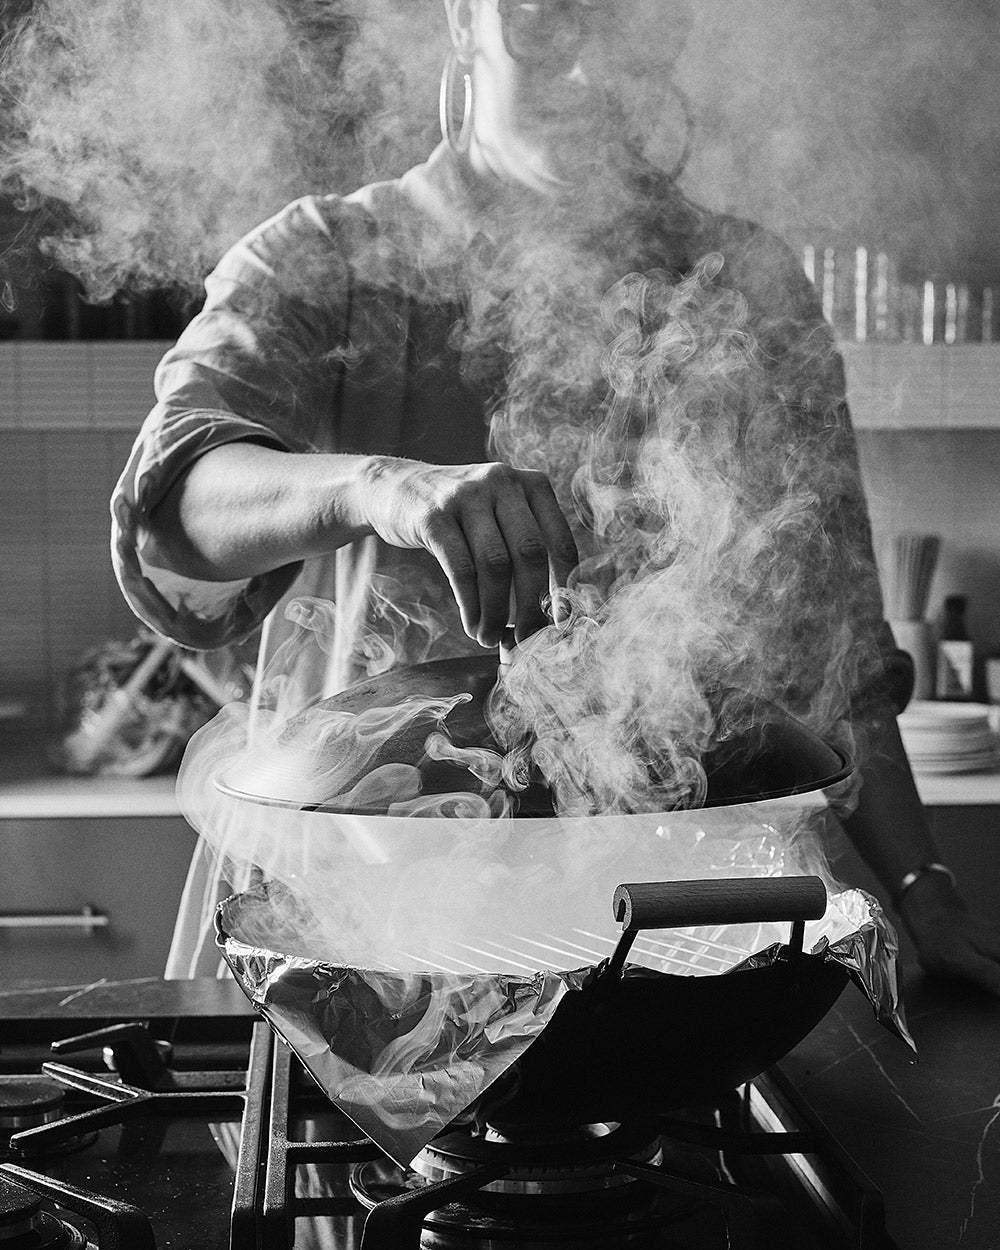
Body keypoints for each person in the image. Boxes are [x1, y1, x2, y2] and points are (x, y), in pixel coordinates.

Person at [113, 0, 1000, 995]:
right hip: (360, 917)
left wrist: (923, 887)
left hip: (673, 922)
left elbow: (837, 647)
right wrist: (382, 486)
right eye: (546, 19)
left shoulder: (744, 284)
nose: (586, 65)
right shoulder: (329, 258)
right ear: (465, 22)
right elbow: (174, 510)